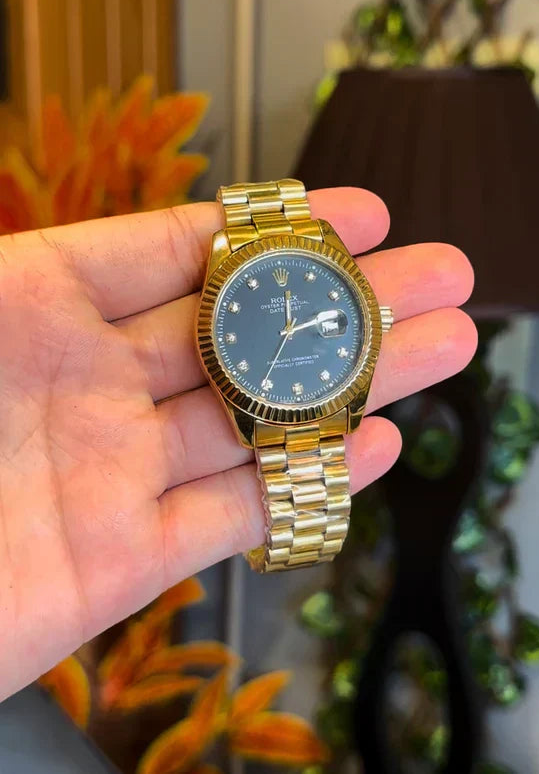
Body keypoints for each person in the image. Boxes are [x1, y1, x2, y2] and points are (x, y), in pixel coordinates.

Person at [0, 187, 476, 702]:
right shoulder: (224, 307)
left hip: (325, 394)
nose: (290, 330)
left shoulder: (343, 320)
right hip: (268, 400)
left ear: (370, 321)